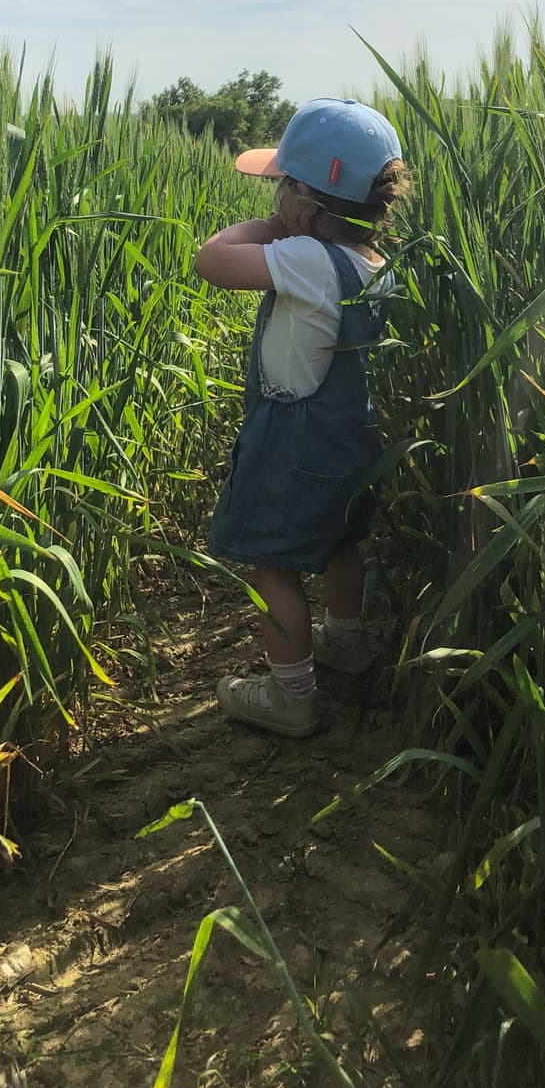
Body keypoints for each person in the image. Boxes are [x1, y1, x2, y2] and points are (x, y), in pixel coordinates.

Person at [194, 97, 409, 737]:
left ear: (308, 205)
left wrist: (267, 228)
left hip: (292, 440)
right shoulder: (378, 264)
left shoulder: (308, 259)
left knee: (273, 565)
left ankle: (291, 694)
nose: (275, 195)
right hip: (353, 435)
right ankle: (345, 638)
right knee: (343, 544)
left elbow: (211, 260)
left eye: (282, 186)